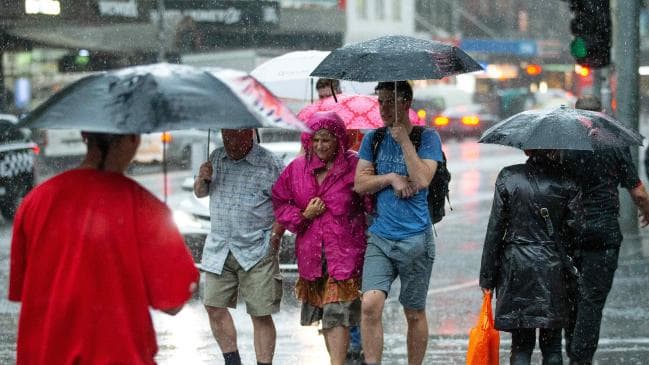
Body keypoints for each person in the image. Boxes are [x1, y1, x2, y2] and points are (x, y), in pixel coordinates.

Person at [8, 132, 199, 364]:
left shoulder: (35, 202)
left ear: (84, 136)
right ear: (133, 139)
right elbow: (173, 302)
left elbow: (23, 290)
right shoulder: (144, 206)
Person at [353, 81, 443, 365]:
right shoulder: (374, 139)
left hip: (416, 238)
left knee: (414, 311)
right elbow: (360, 183)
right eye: (379, 102)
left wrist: (404, 141)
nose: (382, 108)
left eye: (389, 102)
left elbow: (423, 179)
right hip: (381, 237)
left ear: (406, 103)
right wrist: (390, 178)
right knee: (370, 305)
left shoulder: (427, 137)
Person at [272, 111, 370, 365]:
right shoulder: (297, 168)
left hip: (345, 252)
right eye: (315, 140)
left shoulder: (354, 165)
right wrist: (304, 215)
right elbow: (281, 202)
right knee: (327, 314)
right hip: (312, 254)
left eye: (326, 140)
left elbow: (370, 202)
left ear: (338, 139)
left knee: (337, 313)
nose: (320, 146)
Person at [563, 95, 649, 365]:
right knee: (592, 300)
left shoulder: (562, 143)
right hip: (603, 231)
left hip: (567, 231)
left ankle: (570, 348)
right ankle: (581, 358)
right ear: (602, 114)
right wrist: (647, 211)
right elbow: (638, 192)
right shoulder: (613, 143)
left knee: (571, 296)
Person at [479, 149, 583, 365]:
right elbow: (576, 231)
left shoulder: (508, 176)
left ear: (526, 149)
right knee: (553, 345)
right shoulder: (567, 180)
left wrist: (487, 277)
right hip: (552, 269)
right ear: (556, 149)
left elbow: (495, 229)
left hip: (516, 267)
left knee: (521, 345)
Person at [194, 128, 285, 365]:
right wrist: (201, 179)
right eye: (226, 135)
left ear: (249, 133)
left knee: (260, 313)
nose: (229, 141)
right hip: (220, 247)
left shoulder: (270, 163)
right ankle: (232, 361)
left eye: (235, 135)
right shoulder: (215, 157)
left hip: (256, 247)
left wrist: (275, 235)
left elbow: (286, 203)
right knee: (213, 305)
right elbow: (201, 193)